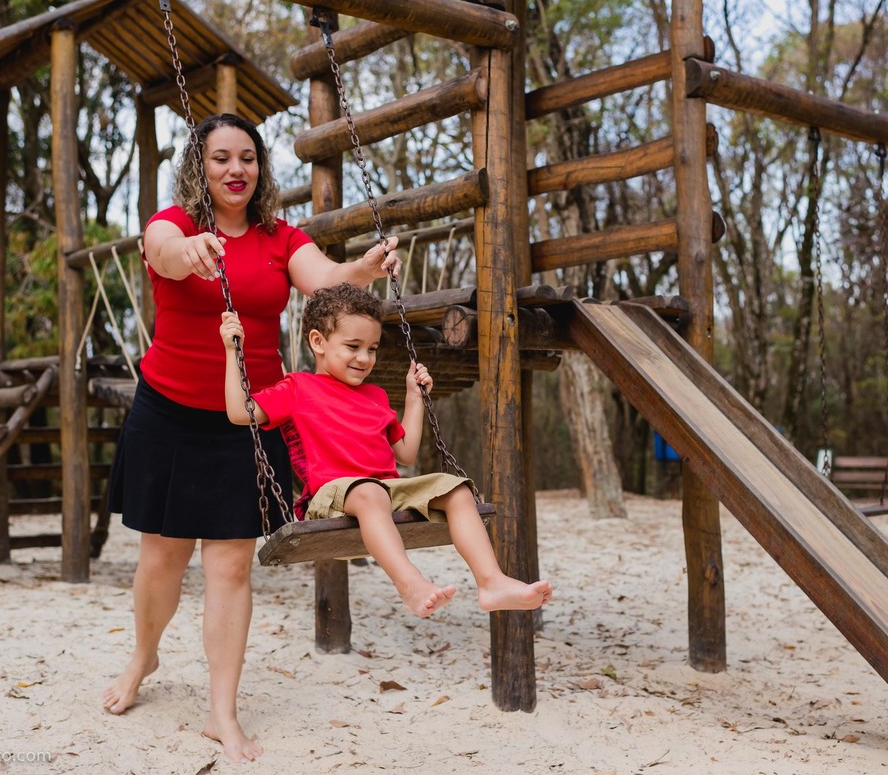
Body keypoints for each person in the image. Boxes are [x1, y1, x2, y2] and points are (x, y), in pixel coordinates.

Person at [101, 114, 400, 764]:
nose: (236, 169)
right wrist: (192, 252)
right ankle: (144, 657)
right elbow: (160, 252)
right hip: (170, 412)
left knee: (231, 567)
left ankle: (221, 712)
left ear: (260, 169)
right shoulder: (175, 223)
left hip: (249, 419)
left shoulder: (278, 237)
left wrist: (365, 268)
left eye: (248, 158)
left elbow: (324, 278)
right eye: (220, 159)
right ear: (199, 167)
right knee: (162, 557)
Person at [218, 282, 553, 619]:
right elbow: (238, 412)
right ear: (318, 342)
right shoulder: (297, 387)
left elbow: (405, 453)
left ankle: (491, 582)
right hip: (331, 496)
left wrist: (413, 398)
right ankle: (409, 584)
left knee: (457, 489)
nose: (364, 358)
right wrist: (234, 353)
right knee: (368, 492)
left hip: (384, 490)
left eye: (373, 348)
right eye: (353, 346)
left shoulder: (375, 396)